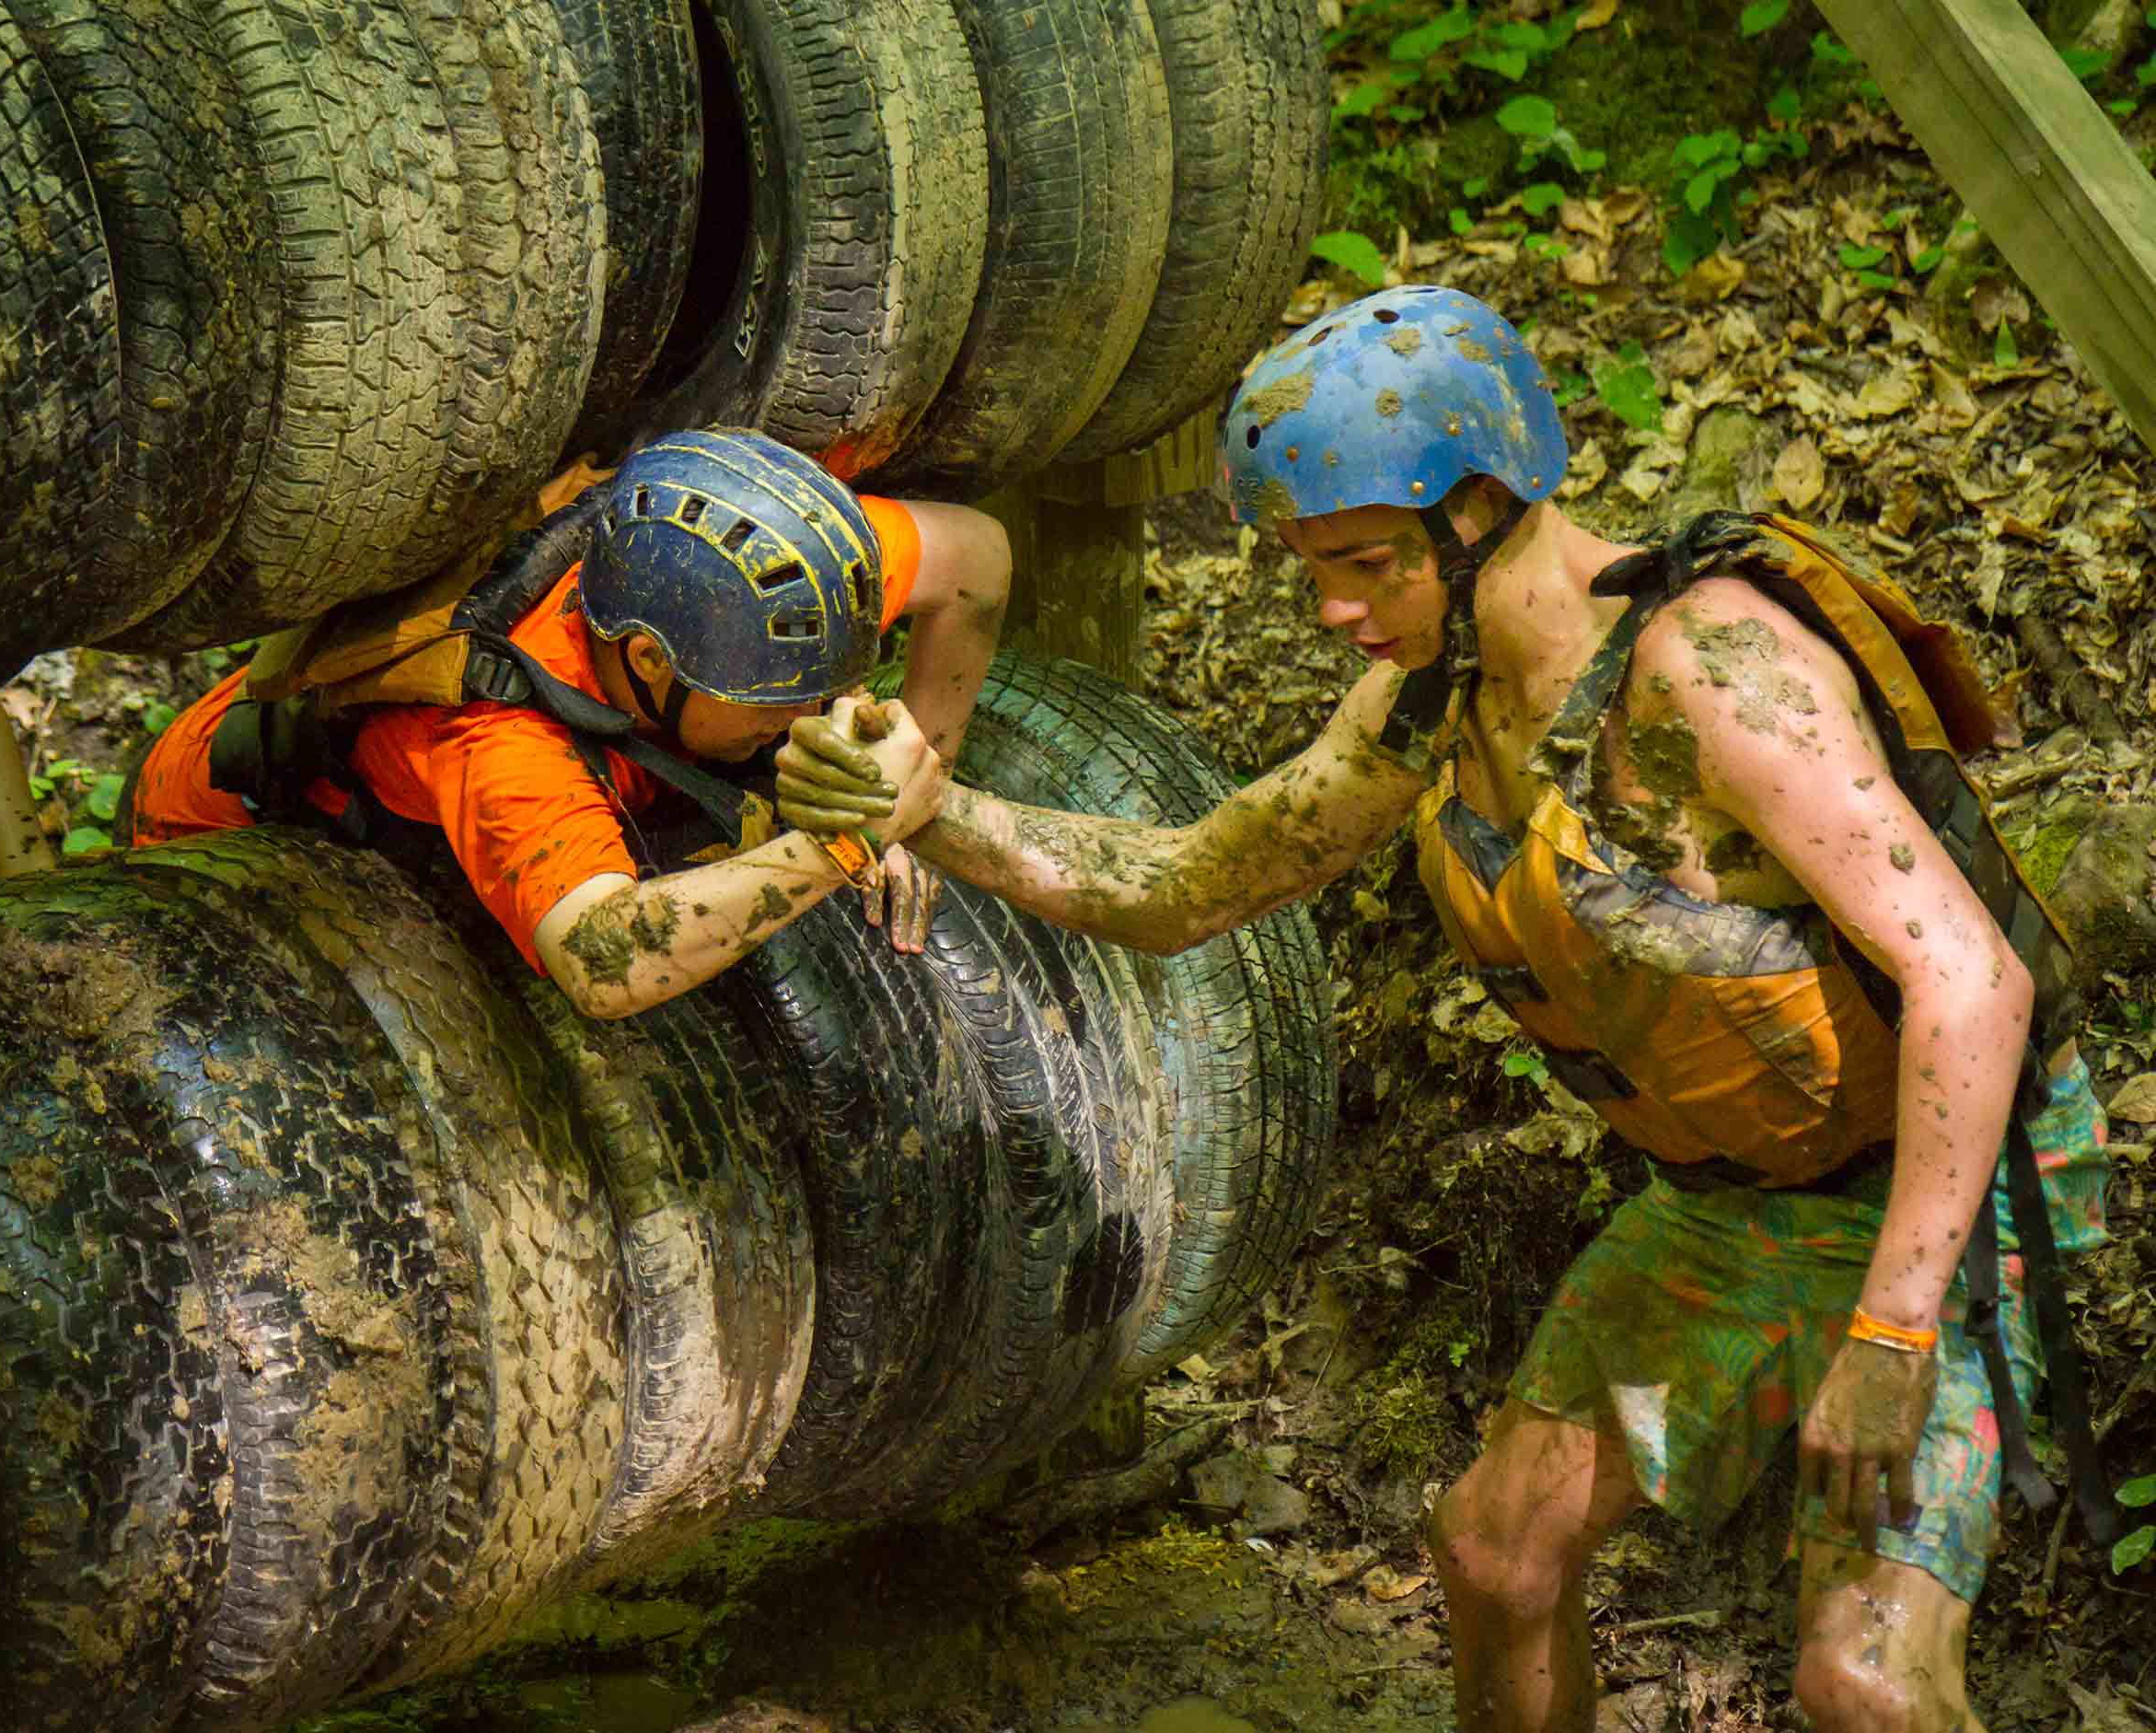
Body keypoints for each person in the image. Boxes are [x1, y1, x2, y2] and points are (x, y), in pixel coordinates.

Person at [773, 285, 2111, 1731]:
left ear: (1480, 510)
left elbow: (1974, 982)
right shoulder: (1431, 701)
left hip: (1943, 1199)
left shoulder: (1713, 677)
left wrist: (1895, 1335)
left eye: (1360, 565)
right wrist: (936, 805)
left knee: (1864, 1684)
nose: (1334, 611)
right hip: (1726, 1201)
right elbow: (1181, 885)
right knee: (1493, 1549)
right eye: (1307, 570)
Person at [126, 428, 998, 1019]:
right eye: (778, 700)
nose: (808, 719)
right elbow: (601, 963)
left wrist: (921, 770)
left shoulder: (768, 582)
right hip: (228, 834)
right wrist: (849, 839)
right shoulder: (504, 745)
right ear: (650, 662)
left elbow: (975, 559)